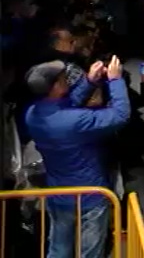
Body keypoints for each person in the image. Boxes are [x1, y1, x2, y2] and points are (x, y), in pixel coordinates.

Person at [24, 56, 130, 258]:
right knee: (89, 252)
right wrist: (115, 80)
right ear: (55, 87)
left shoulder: (33, 114)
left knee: (58, 250)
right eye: (62, 78)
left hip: (59, 194)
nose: (66, 79)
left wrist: (89, 81)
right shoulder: (74, 121)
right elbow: (119, 115)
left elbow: (66, 104)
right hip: (90, 195)